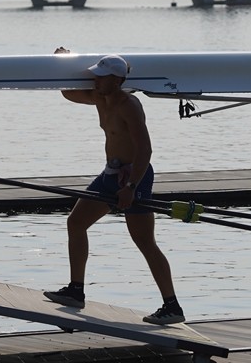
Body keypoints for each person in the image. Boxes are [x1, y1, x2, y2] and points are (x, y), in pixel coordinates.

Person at [43, 52, 184, 325]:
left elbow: (145, 149)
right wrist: (61, 60)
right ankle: (76, 290)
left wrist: (131, 186)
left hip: (135, 177)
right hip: (110, 173)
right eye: (94, 75)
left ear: (117, 80)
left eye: (101, 77)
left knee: (144, 241)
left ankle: (172, 307)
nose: (95, 80)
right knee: (76, 223)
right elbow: (67, 94)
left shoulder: (129, 105)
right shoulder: (100, 98)